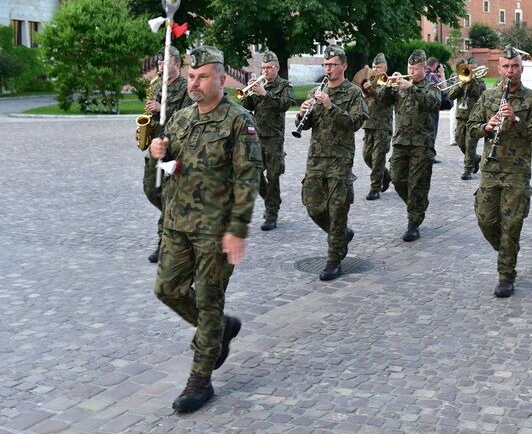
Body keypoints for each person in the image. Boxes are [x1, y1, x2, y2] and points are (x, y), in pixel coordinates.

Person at [149, 45, 261, 412]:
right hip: (177, 223)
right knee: (167, 289)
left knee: (210, 302)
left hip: (215, 229)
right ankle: (221, 329)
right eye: (192, 77)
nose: (195, 83)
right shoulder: (181, 118)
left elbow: (248, 179)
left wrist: (238, 228)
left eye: (203, 77)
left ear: (221, 78)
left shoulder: (238, 121)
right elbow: (170, 162)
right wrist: (158, 153)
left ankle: (201, 380)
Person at [468, 46, 532, 297]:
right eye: (505, 66)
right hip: (491, 170)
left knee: (512, 225)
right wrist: (486, 126)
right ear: (499, 68)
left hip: (517, 172)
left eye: (514, 66)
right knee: (486, 220)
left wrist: (516, 121)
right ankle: (507, 249)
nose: (510, 71)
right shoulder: (488, 97)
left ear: (521, 69)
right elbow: (470, 128)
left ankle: (506, 275)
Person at [295, 45, 368, 281]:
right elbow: (306, 125)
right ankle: (341, 235)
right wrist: (301, 113)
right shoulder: (317, 91)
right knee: (313, 207)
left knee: (337, 210)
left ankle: (334, 259)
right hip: (316, 159)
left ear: (344, 66)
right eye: (325, 65)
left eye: (333, 64)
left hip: (340, 160)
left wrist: (331, 106)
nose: (328, 69)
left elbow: (355, 122)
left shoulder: (354, 93)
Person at [375, 49, 442, 241]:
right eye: (409, 68)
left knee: (417, 185)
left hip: (422, 144)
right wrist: (389, 85)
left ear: (424, 68)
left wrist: (410, 88)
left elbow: (433, 103)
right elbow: (381, 100)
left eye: (415, 68)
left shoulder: (431, 85)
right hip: (401, 142)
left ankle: (413, 223)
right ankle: (418, 205)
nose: (411, 72)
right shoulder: (399, 86)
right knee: (397, 178)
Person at [144, 46, 192, 263]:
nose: (160, 67)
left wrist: (160, 108)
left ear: (176, 64)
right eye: (159, 64)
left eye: (164, 63)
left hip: (175, 148)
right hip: (155, 147)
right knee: (151, 190)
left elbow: (187, 116)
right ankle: (178, 218)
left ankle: (164, 244)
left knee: (167, 193)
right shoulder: (157, 85)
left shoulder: (185, 87)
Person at [240, 51, 295, 231]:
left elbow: (285, 105)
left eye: (269, 68)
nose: (265, 71)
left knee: (273, 176)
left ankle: (271, 214)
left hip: (274, 138)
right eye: (263, 68)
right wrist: (248, 94)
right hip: (256, 137)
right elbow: (246, 108)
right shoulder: (258, 85)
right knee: (254, 174)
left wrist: (265, 94)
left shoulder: (284, 85)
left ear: (277, 68)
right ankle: (273, 200)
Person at [361, 53, 393, 200]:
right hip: (369, 124)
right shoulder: (370, 80)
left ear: (384, 68)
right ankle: (385, 175)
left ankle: (375, 188)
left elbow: (383, 98)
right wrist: (364, 90)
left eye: (378, 67)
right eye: (373, 66)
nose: (375, 69)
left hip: (382, 126)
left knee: (378, 157)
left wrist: (370, 89)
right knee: (367, 156)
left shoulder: (388, 82)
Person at [449, 57, 486, 180]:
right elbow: (451, 95)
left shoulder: (479, 81)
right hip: (461, 116)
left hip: (474, 116)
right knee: (460, 141)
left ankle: (467, 170)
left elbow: (481, 94)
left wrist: (472, 81)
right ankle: (475, 159)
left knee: (470, 144)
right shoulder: (458, 79)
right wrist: (460, 86)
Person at [425, 57, 447, 164]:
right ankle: (430, 156)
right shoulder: (433, 75)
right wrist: (442, 73)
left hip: (423, 109)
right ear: (435, 65)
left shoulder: (423, 74)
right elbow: (444, 87)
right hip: (433, 108)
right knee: (433, 132)